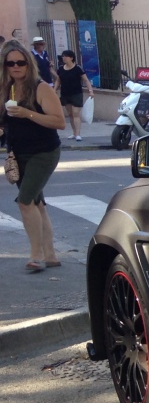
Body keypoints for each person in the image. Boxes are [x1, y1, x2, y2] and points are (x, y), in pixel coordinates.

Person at [1, 40, 65, 272]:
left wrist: (27, 113)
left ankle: (35, 255)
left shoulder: (41, 88)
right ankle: (50, 254)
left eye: (21, 62)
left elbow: (59, 122)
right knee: (37, 204)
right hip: (18, 154)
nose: (16, 67)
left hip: (44, 152)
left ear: (29, 64)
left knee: (25, 202)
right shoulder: (6, 89)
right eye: (11, 63)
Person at [53, 49, 93, 142]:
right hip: (65, 93)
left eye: (66, 56)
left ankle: (78, 134)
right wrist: (54, 90)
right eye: (63, 56)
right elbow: (58, 80)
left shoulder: (77, 68)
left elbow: (86, 80)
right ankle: (74, 132)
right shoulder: (61, 69)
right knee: (70, 114)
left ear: (71, 58)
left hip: (76, 93)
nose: (64, 58)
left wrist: (90, 91)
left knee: (76, 113)